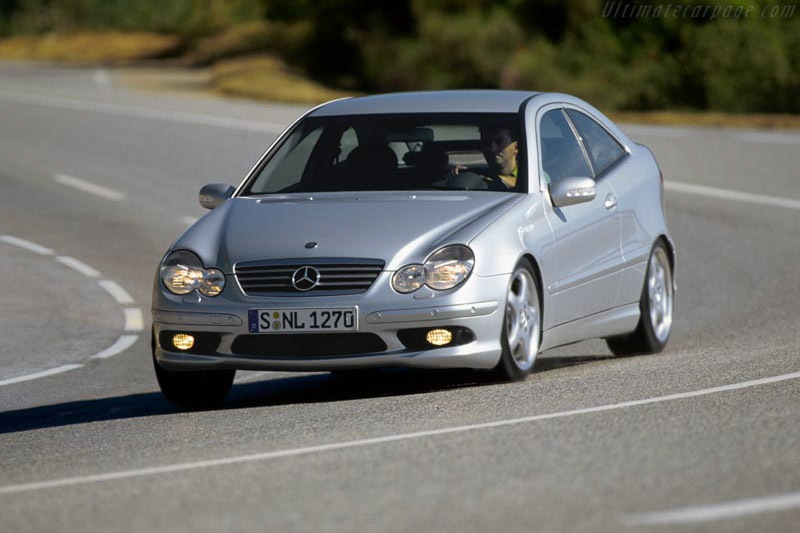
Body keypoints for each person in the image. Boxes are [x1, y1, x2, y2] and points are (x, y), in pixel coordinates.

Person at [446, 125, 519, 190]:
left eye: (499, 141)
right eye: (486, 142)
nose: (492, 147)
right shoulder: (477, 175)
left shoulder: (528, 173)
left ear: (516, 147)